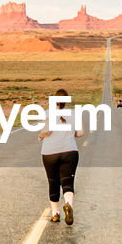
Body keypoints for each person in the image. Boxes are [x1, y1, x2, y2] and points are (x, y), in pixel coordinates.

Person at [39, 88, 83, 224]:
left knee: (53, 182)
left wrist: (41, 136)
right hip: (70, 152)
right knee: (67, 182)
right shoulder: (74, 113)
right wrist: (72, 134)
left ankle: (55, 213)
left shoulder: (47, 113)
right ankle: (68, 204)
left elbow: (46, 131)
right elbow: (80, 133)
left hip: (50, 153)